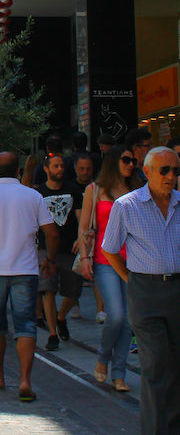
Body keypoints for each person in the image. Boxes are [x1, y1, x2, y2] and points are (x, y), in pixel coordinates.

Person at [0, 151, 60, 404]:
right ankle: (25, 380)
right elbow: (51, 232)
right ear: (19, 171)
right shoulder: (33, 196)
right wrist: (50, 259)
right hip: (25, 270)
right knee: (26, 325)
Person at [102, 147, 180, 435]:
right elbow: (109, 249)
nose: (171, 176)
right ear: (147, 172)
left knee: (175, 367)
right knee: (156, 365)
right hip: (145, 292)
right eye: (165, 170)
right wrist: (131, 280)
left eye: (175, 170)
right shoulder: (127, 205)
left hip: (177, 290)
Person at [78, 145, 142, 392]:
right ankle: (104, 357)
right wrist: (84, 258)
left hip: (133, 262)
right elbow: (84, 227)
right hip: (105, 260)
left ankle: (119, 374)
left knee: (128, 320)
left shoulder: (137, 191)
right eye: (126, 160)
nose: (130, 164)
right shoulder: (94, 191)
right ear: (114, 161)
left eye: (133, 161)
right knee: (115, 314)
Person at [34, 153, 84, 351]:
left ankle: (61, 317)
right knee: (48, 289)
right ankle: (53, 333)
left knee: (74, 291)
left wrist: (81, 238)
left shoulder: (73, 190)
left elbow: (81, 217)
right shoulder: (38, 193)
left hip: (69, 248)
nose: (60, 169)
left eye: (62, 166)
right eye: (56, 166)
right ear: (47, 169)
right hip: (45, 249)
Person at [69, 154, 96, 320]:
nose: (85, 172)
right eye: (81, 169)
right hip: (75, 236)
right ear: (75, 169)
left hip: (94, 236)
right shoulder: (72, 188)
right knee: (74, 278)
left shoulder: (98, 188)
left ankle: (101, 309)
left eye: (88, 169)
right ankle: (74, 304)